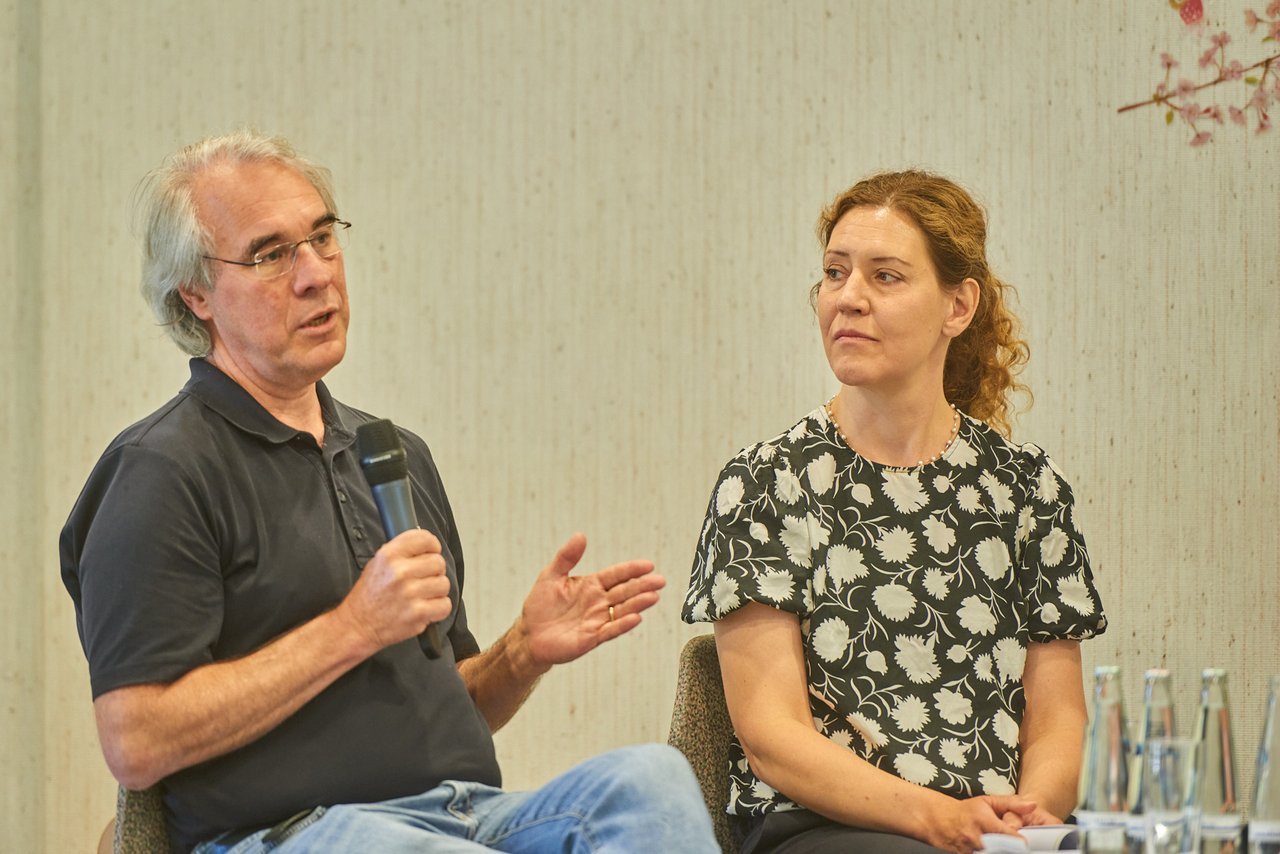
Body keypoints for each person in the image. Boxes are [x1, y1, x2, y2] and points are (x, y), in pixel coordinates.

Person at [60, 130, 718, 854]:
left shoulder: (392, 454)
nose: (316, 275)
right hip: (295, 833)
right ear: (197, 295)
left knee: (650, 783)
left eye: (322, 237)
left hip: (467, 813)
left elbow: (451, 705)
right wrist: (352, 628)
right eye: (272, 254)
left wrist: (522, 652)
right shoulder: (161, 471)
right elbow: (137, 740)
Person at [682, 170, 1107, 854]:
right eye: (835, 272)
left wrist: (1026, 820)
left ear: (957, 306)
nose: (847, 298)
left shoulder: (1027, 487)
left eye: (885, 277)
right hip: (828, 828)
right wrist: (940, 819)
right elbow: (774, 740)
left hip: (994, 831)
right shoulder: (768, 482)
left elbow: (1059, 721)